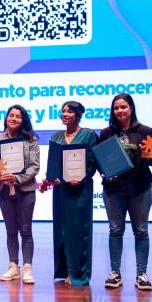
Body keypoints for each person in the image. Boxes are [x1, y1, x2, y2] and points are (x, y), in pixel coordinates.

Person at [100, 93, 152, 291]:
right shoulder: (107, 133)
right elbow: (101, 161)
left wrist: (150, 155)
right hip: (114, 190)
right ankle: (115, 273)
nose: (119, 111)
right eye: (116, 108)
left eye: (123, 107)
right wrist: (105, 173)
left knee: (141, 231)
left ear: (131, 108)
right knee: (115, 230)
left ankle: (141, 274)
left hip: (140, 188)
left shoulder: (145, 131)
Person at [40, 101, 98, 286]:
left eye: (69, 111)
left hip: (81, 190)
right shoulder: (56, 136)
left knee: (79, 232)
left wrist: (82, 177)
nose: (65, 114)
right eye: (63, 111)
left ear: (78, 115)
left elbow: (93, 162)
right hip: (61, 191)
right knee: (62, 231)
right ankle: (64, 271)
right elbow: (53, 164)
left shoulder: (88, 134)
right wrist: (50, 178)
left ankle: (78, 274)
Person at [0, 105, 40, 284]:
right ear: (6, 118)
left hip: (25, 189)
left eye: (18, 117)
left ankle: (27, 267)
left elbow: (35, 166)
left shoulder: (30, 140)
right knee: (11, 230)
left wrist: (17, 177)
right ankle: (13, 266)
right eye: (11, 115)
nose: (13, 119)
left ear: (23, 120)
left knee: (26, 230)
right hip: (3, 190)